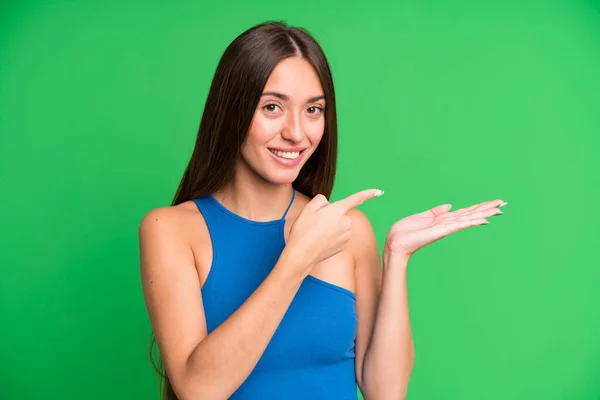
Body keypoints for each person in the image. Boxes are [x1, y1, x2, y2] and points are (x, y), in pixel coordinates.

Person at [138, 21, 506, 400]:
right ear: (232, 110)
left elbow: (386, 391)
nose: (297, 133)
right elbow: (198, 390)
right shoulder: (171, 230)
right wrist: (297, 258)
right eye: (272, 107)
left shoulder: (348, 230)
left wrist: (396, 257)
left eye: (313, 110)